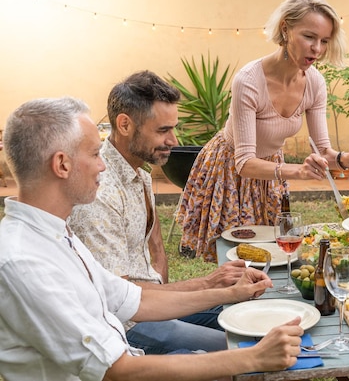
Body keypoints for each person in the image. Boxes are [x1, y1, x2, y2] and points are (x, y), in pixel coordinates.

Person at [0, 96, 303, 380]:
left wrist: (226, 293)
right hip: (124, 366)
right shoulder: (23, 262)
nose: (102, 164)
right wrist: (252, 358)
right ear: (62, 164)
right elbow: (116, 370)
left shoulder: (54, 233)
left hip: (128, 354)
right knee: (239, 362)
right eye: (94, 154)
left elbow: (135, 300)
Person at [176, 0, 349, 262]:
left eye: (324, 40)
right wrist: (298, 172)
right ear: (285, 30)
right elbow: (244, 163)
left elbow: (324, 151)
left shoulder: (315, 83)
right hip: (230, 170)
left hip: (272, 173)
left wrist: (345, 159)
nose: (317, 49)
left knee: (271, 254)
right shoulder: (248, 81)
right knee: (234, 260)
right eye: (309, 37)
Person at [70, 70, 248, 355]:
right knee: (239, 349)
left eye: (173, 128)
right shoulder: (100, 193)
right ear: (125, 124)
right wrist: (207, 283)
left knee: (247, 313)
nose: (174, 140)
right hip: (127, 325)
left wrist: (164, 271)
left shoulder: (139, 174)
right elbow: (119, 298)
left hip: (154, 304)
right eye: (163, 130)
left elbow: (153, 240)